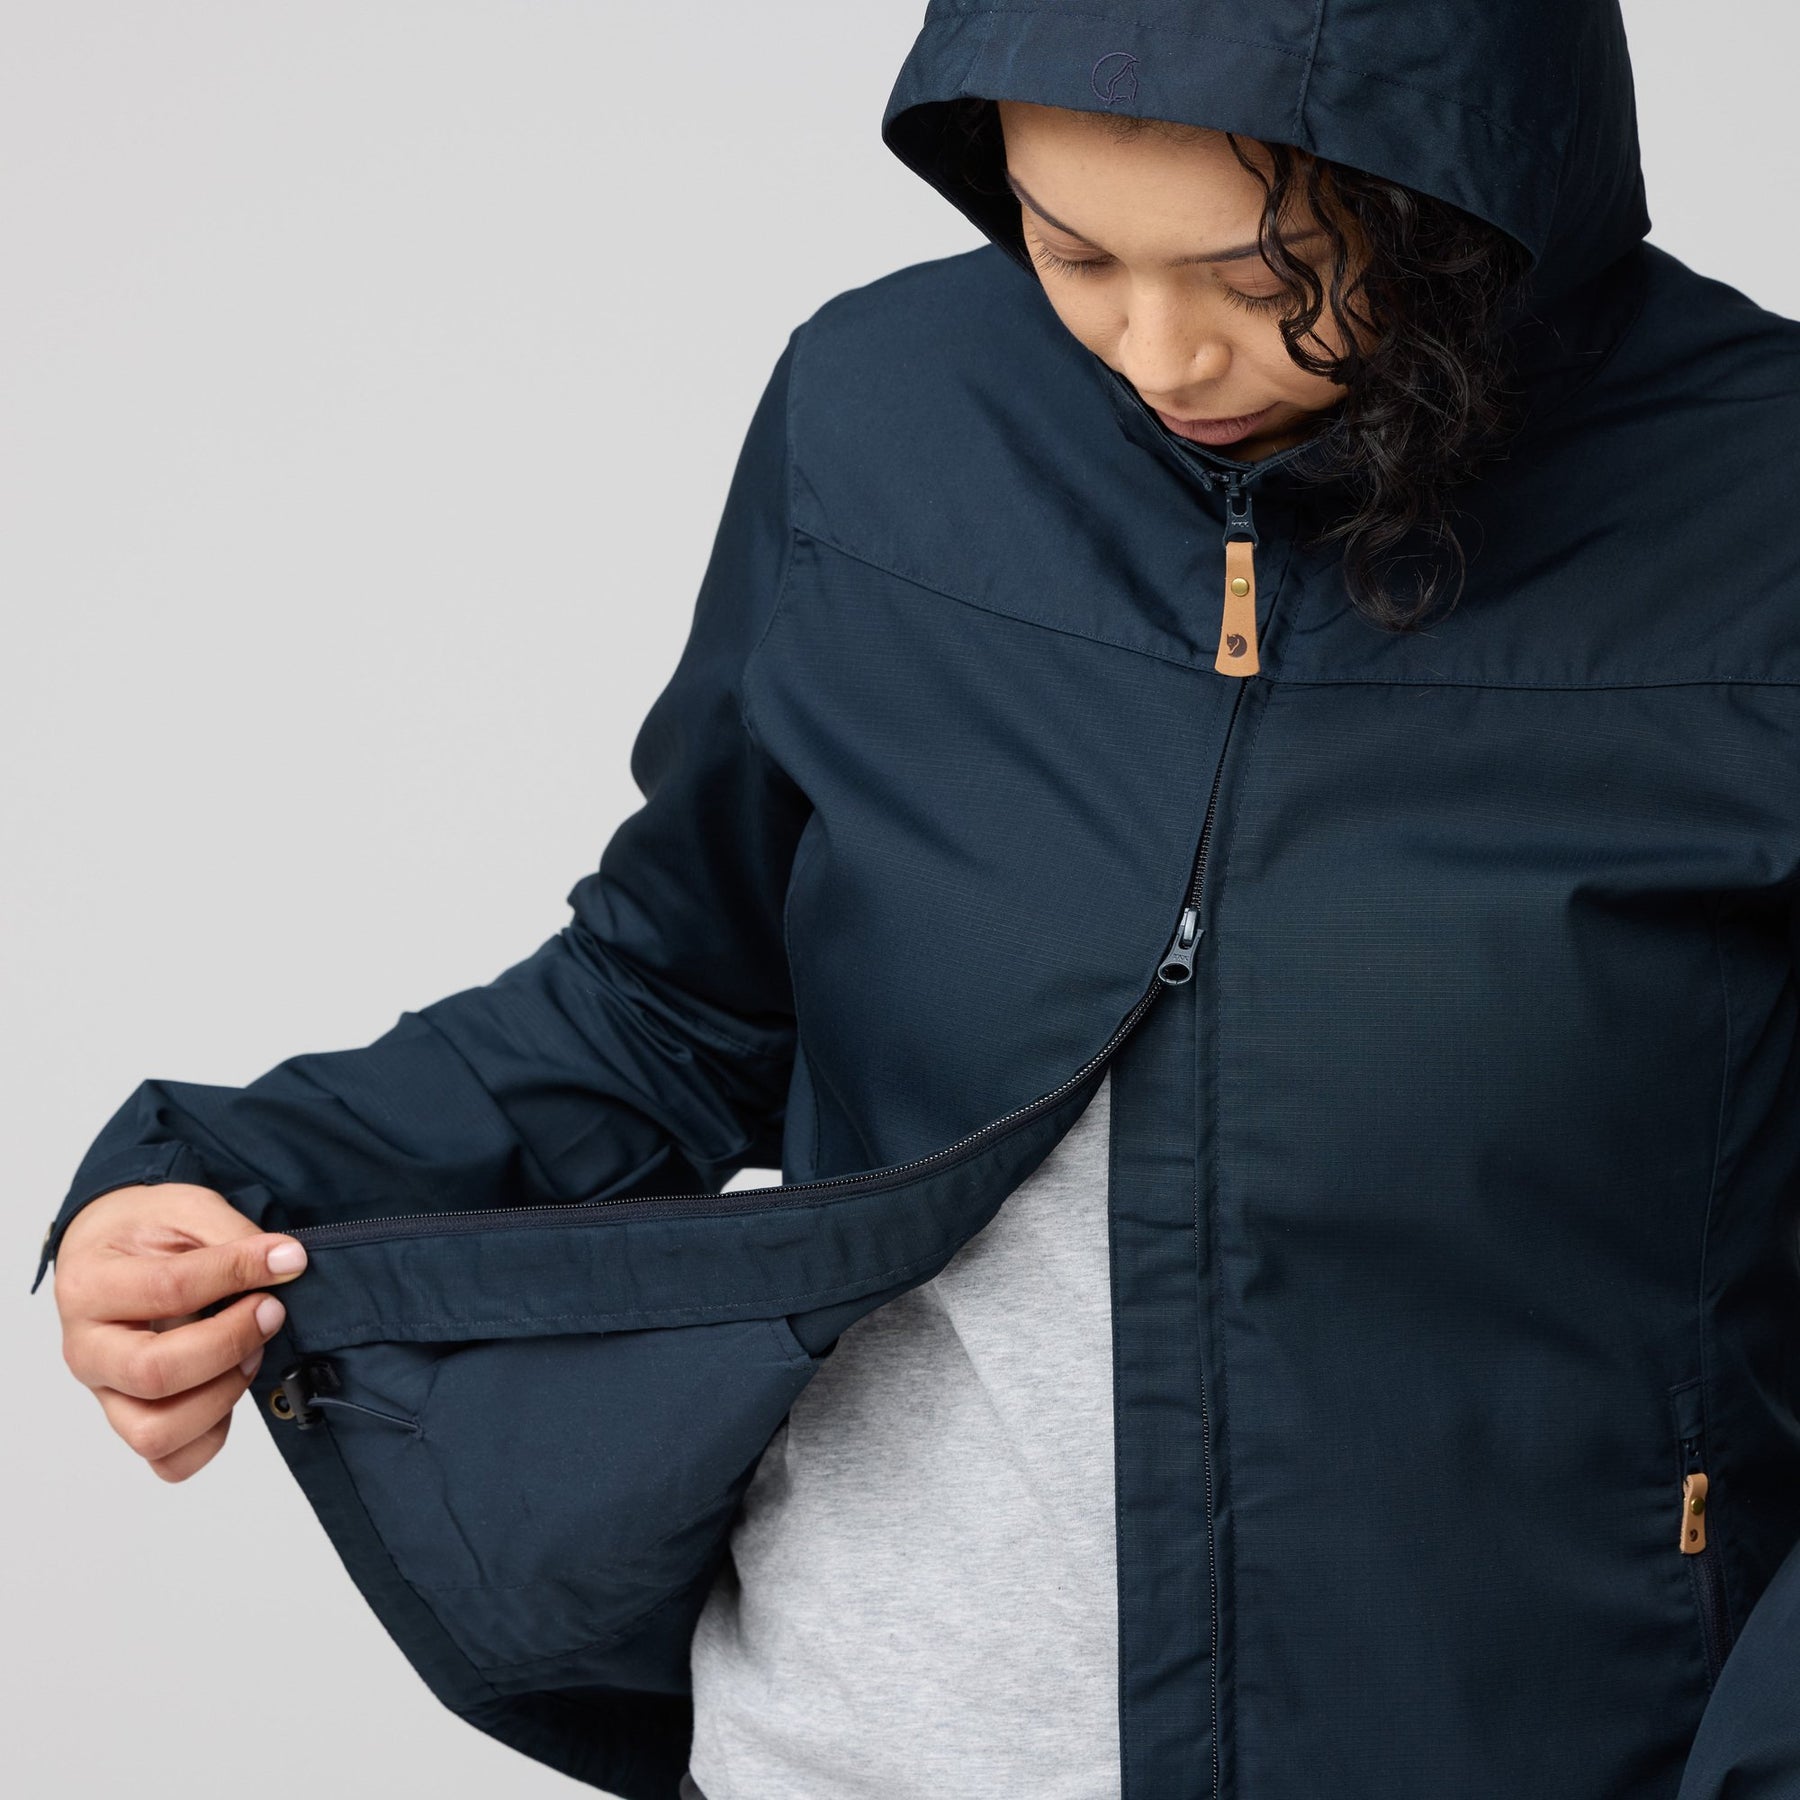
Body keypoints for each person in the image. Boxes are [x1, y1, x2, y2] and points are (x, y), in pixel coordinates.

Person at [35, 3, 1800, 1799]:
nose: (1162, 350)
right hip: (843, 1747)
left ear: (1470, 191)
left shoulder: (1763, 504)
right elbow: (677, 996)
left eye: (1268, 276)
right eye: (1073, 251)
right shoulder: (890, 407)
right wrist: (232, 1187)